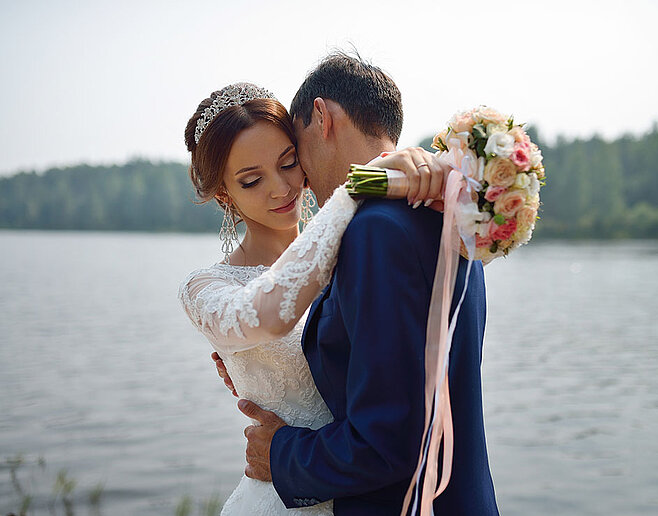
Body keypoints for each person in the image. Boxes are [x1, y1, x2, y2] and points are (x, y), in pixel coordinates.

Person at [221, 53, 500, 515]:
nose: (301, 180)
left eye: (296, 153)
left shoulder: (376, 230)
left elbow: (386, 441)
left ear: (322, 117)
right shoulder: (452, 215)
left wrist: (280, 453)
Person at [179, 77, 449, 515]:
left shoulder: (361, 247)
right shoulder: (207, 288)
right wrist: (355, 189)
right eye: (252, 180)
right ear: (225, 194)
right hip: (281, 498)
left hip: (368, 489)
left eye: (288, 162)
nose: (281, 188)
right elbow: (267, 314)